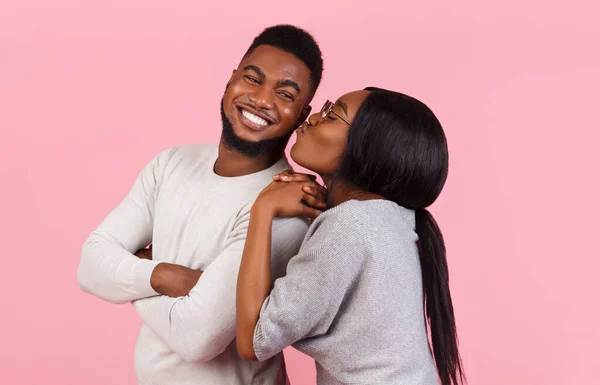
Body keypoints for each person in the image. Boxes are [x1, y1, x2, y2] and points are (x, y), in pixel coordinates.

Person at [77, 25, 326, 385]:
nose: (262, 100)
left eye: (285, 94)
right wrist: (163, 276)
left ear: (302, 115)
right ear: (230, 82)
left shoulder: (286, 204)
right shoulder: (171, 163)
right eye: (252, 79)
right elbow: (89, 266)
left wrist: (127, 279)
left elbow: (197, 337)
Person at [236, 88, 465, 385]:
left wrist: (263, 208)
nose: (314, 117)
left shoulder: (350, 224)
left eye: (333, 114)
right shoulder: (391, 220)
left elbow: (254, 340)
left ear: (368, 148)